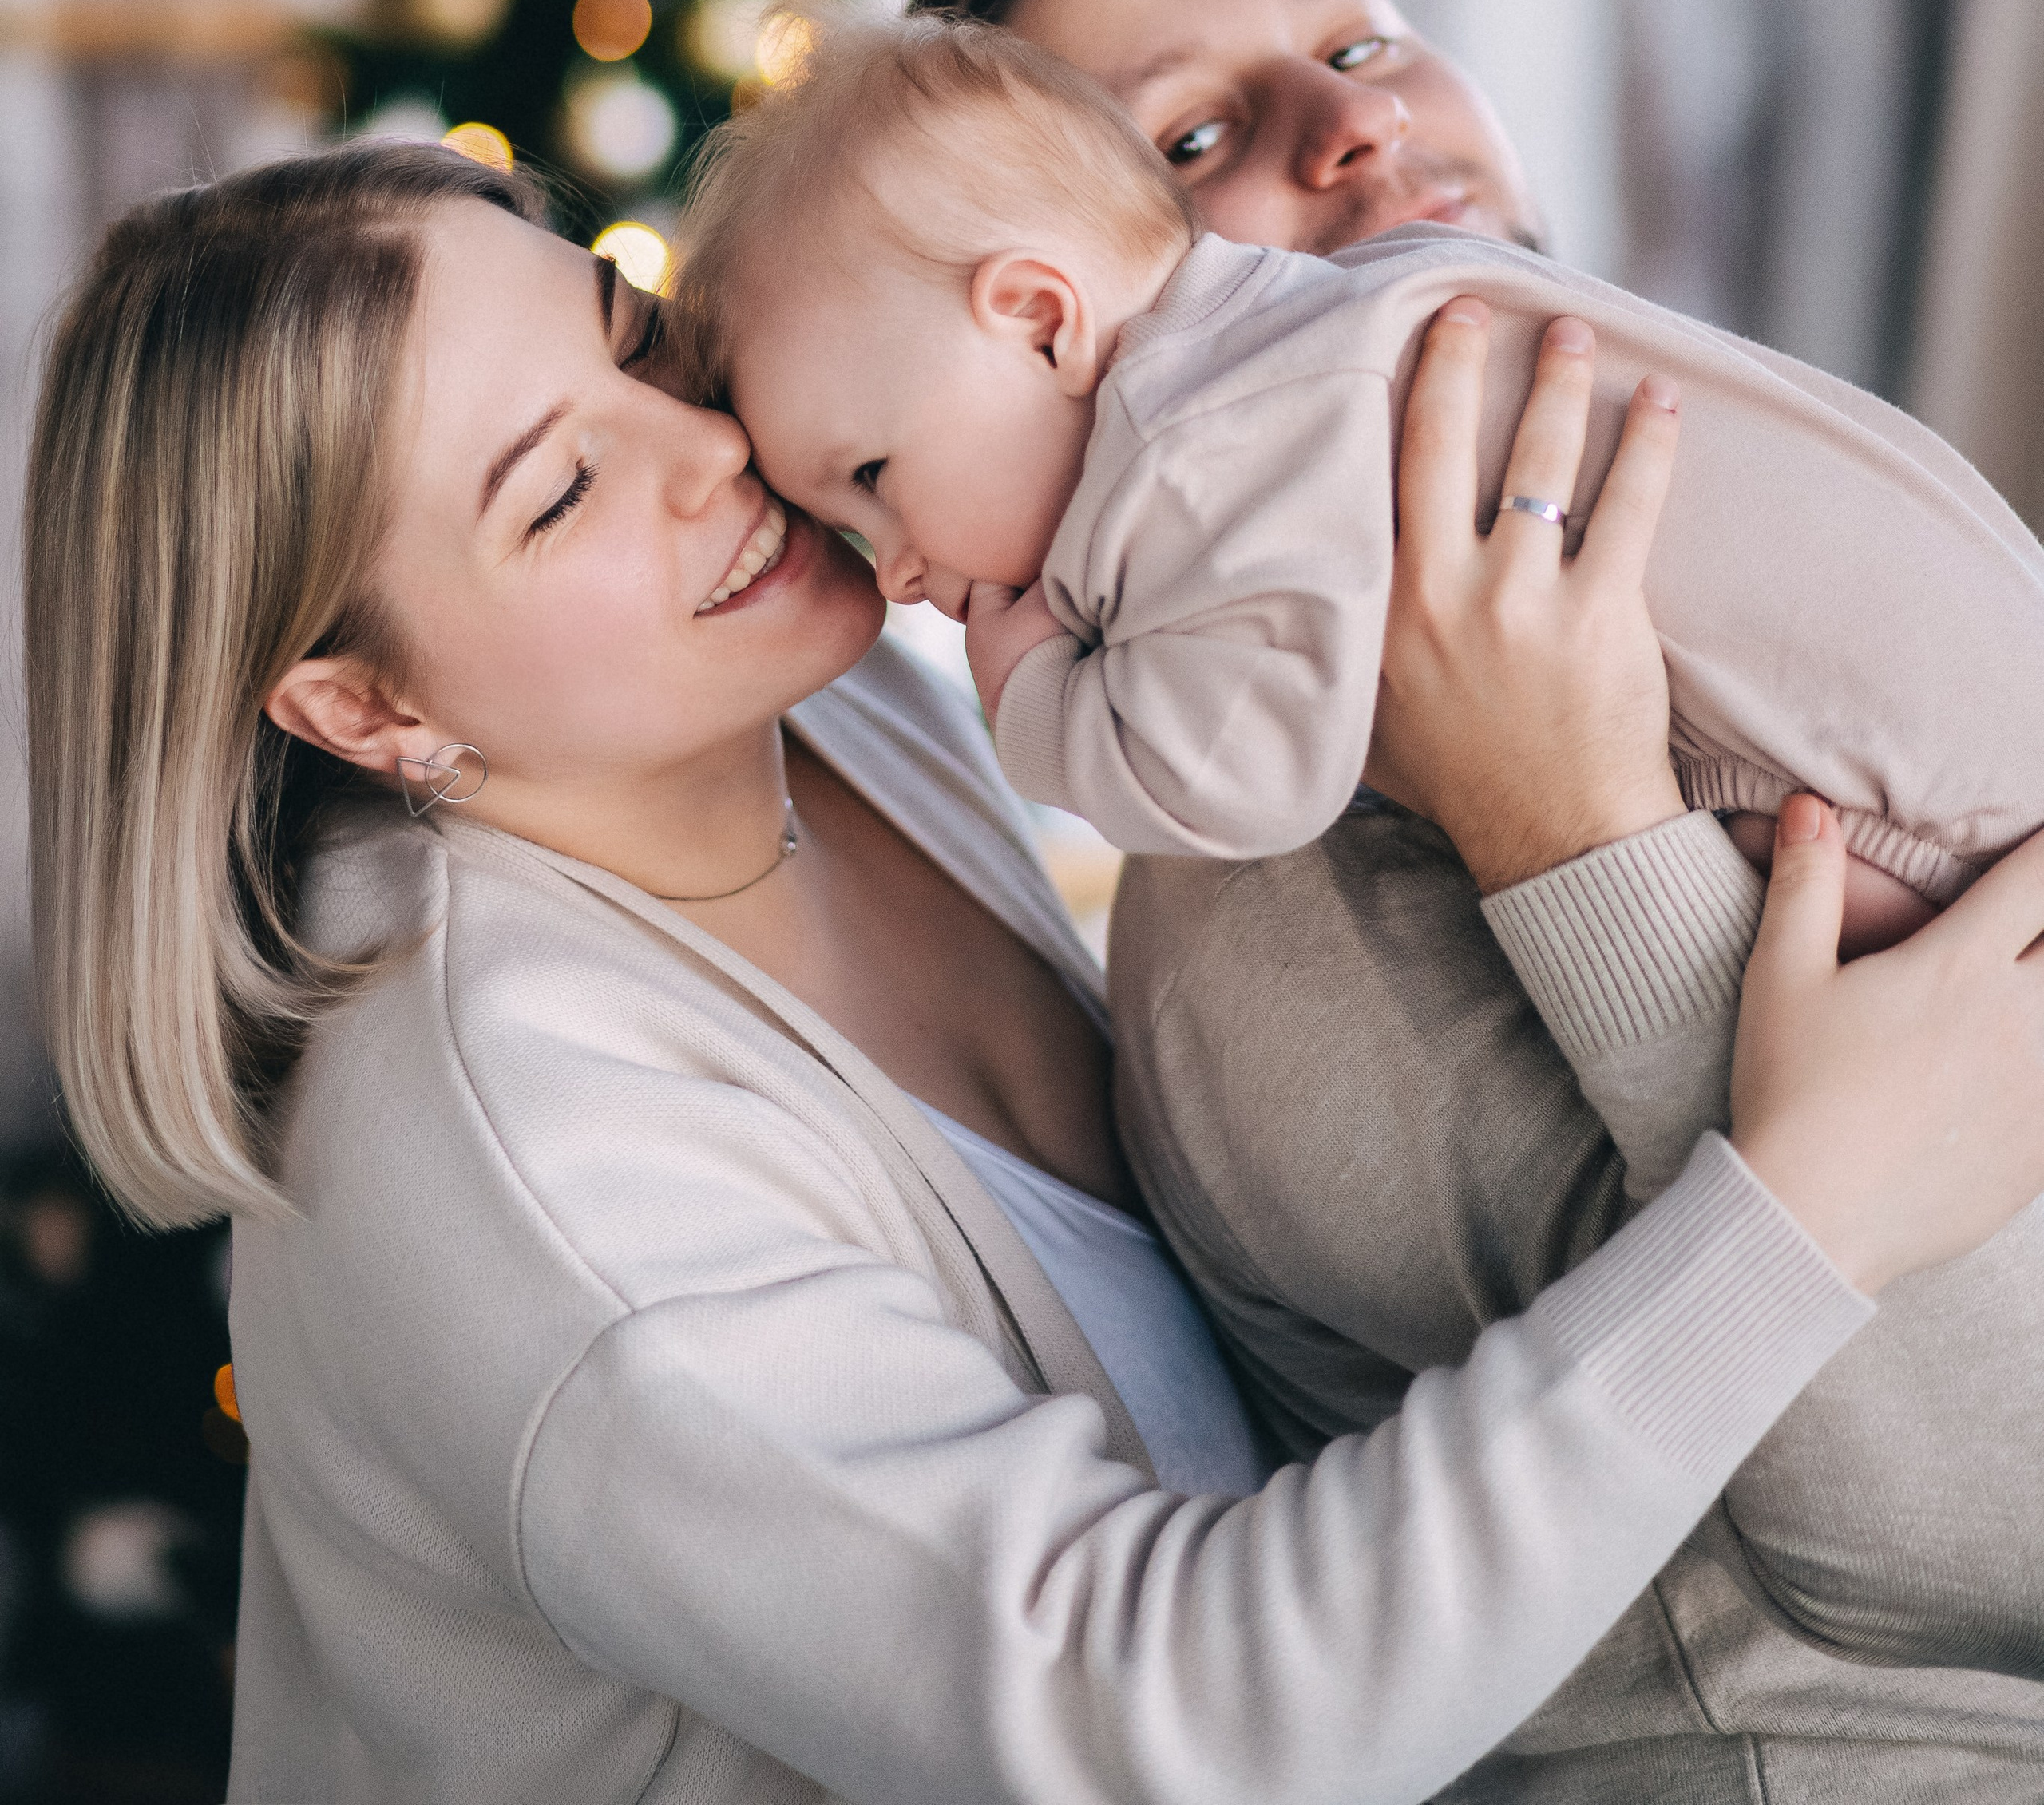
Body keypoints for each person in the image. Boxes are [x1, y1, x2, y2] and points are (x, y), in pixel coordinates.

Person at [25, 143, 2044, 1805]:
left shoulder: (826, 704)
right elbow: (1169, 1724)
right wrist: (1804, 1208)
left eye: (638, 344)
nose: (707, 454)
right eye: (556, 489)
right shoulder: (519, 1166)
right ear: (365, 709)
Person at [905, 0, 2044, 1784]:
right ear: (1055, 333)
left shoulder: (1719, 536)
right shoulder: (1268, 924)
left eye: (1362, 37)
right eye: (1185, 142)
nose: (1346, 124)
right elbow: (1967, 1552)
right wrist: (1571, 838)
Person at [682, 12, 2034, 949]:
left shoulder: (1200, 441)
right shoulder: (1332, 321)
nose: (899, 569)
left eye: (872, 479)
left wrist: (1034, 695)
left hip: (1929, 803)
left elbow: (1244, 775)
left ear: (1042, 319)